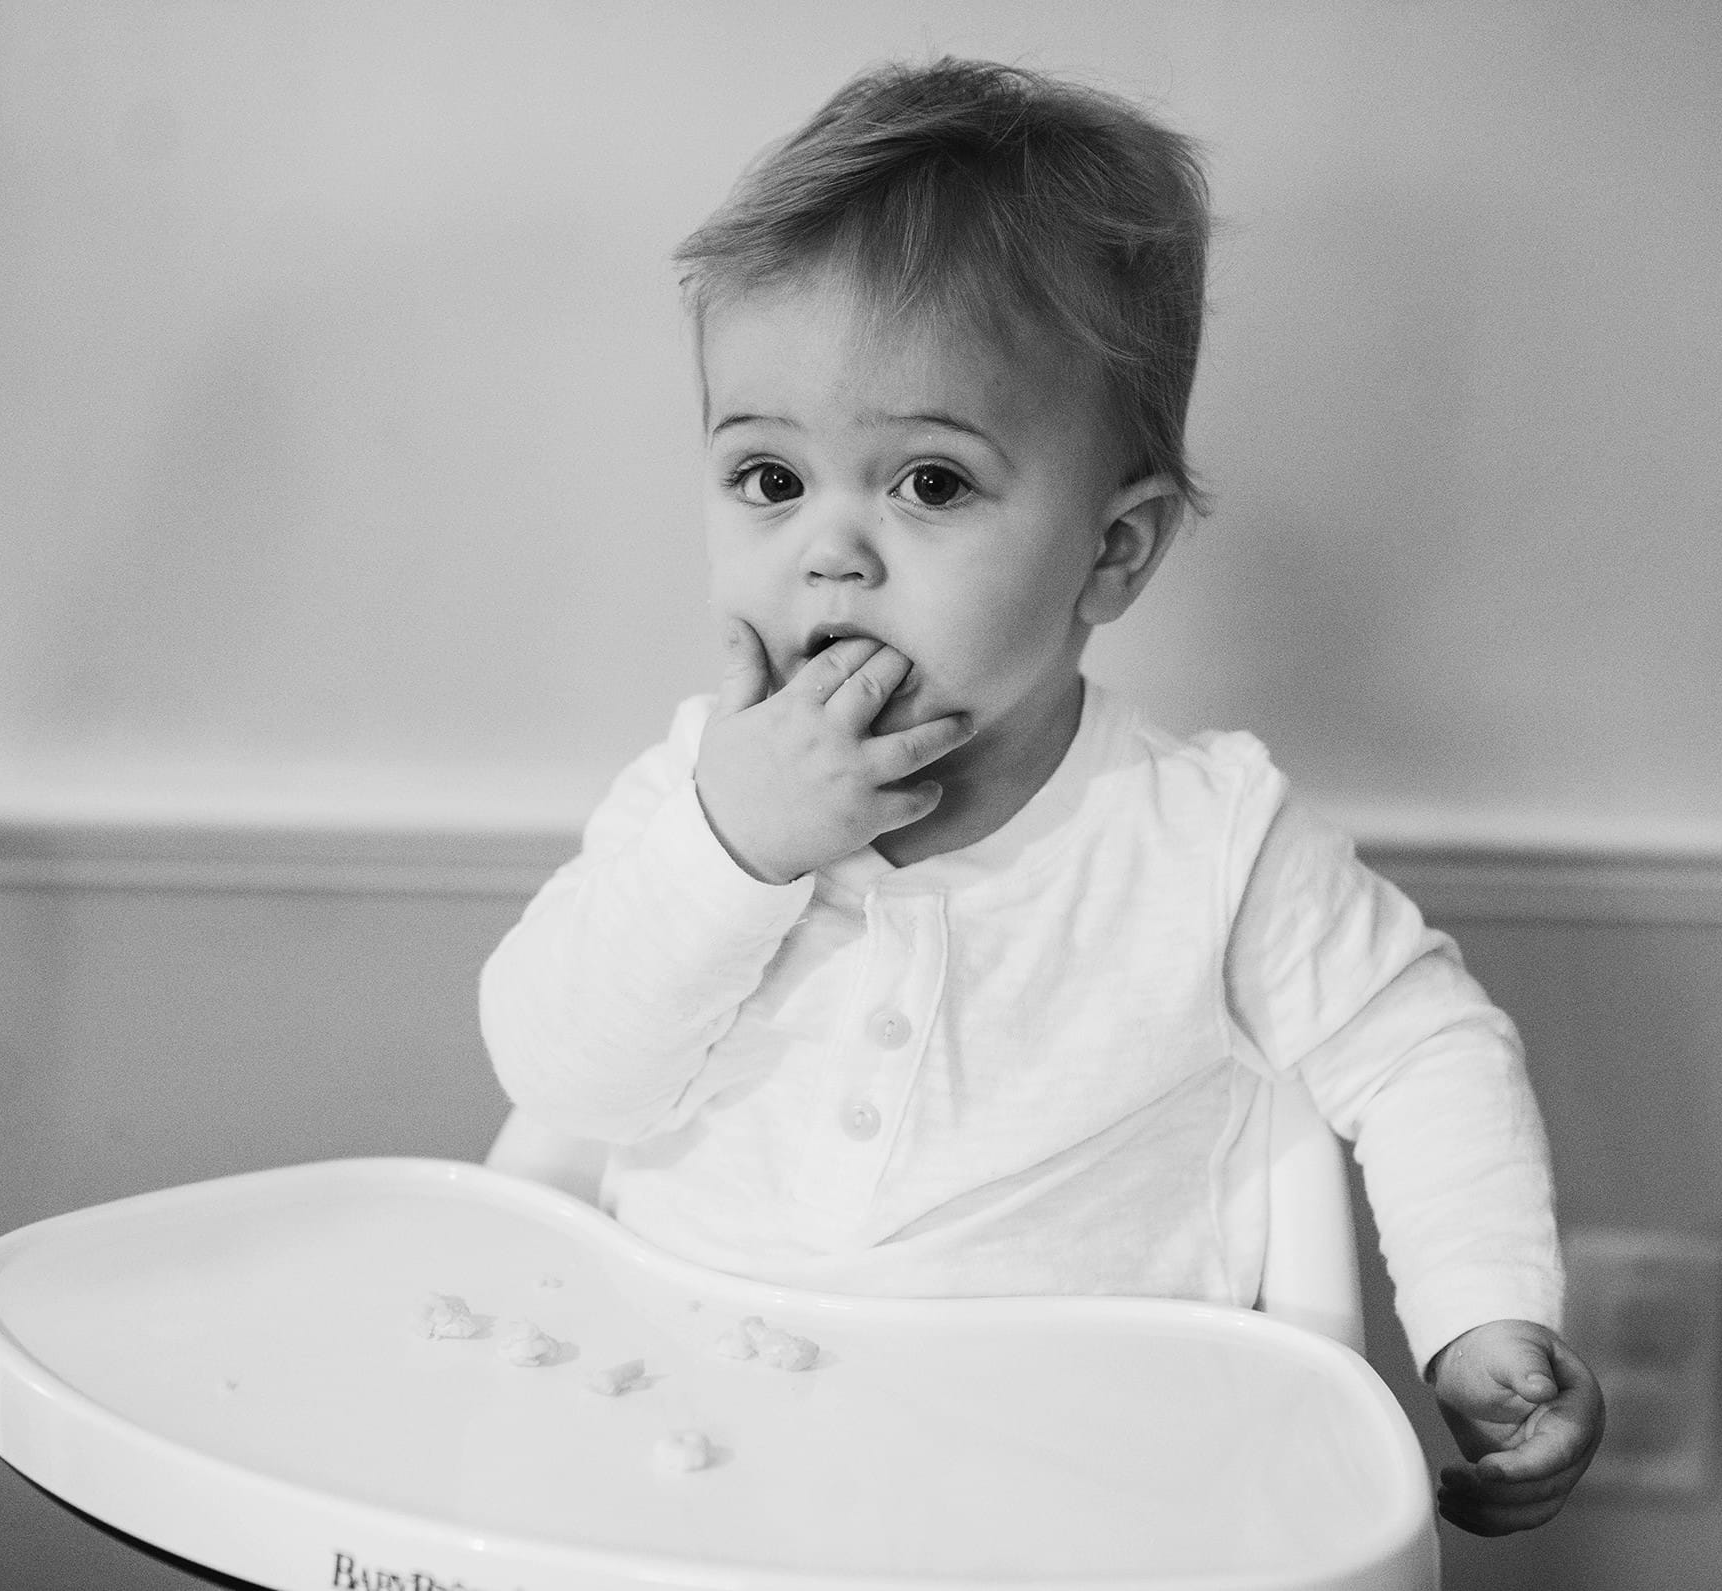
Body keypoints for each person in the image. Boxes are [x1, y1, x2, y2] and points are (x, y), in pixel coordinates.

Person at [479, 57, 1602, 1536]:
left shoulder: (1206, 841)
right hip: (689, 1454)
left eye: (928, 484)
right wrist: (732, 847)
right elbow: (561, 1082)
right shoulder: (693, 792)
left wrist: (1480, 1314)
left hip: (1082, 1495)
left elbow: (1420, 1051)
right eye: (766, 478)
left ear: (1112, 553)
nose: (829, 552)